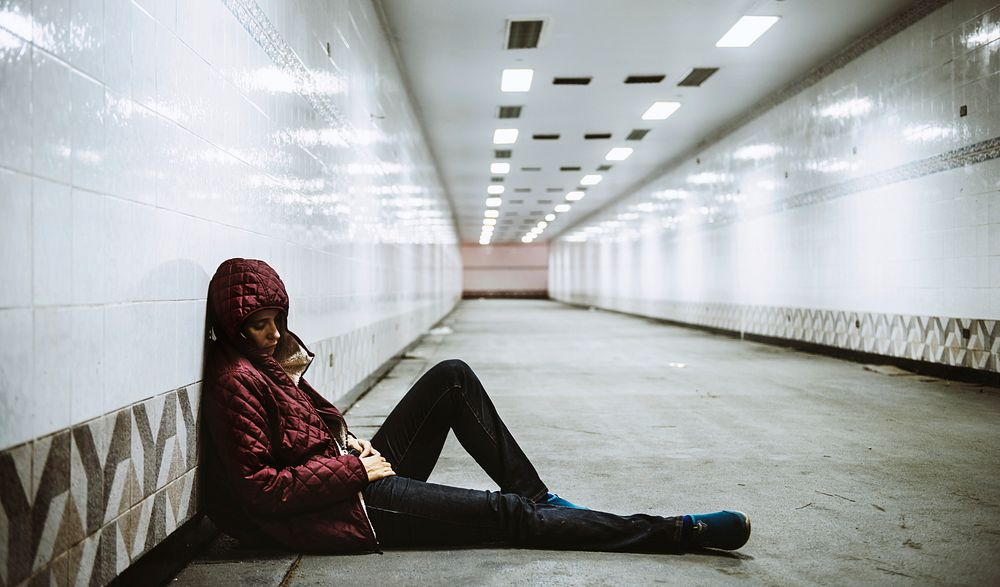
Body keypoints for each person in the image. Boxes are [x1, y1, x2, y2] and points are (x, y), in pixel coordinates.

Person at [201, 258, 751, 554]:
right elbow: (261, 489)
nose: (273, 334)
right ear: (232, 325)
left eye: (278, 319)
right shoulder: (235, 381)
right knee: (504, 515)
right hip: (349, 510)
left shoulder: (264, 365)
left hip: (349, 477)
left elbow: (304, 435)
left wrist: (350, 442)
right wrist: (352, 468)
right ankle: (674, 532)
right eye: (259, 325)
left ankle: (542, 497)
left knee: (452, 378)